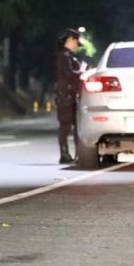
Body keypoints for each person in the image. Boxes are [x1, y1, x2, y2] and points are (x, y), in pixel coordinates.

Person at [55, 28, 86, 164]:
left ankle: (76, 153)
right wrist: (81, 71)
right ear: (71, 40)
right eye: (76, 42)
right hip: (66, 96)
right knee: (66, 125)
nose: (77, 46)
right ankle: (65, 153)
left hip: (70, 95)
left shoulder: (68, 56)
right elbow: (69, 75)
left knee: (74, 125)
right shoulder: (64, 56)